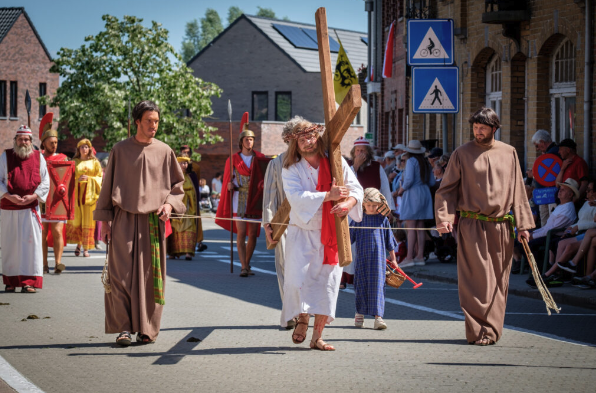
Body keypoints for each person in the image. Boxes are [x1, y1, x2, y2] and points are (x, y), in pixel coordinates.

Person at [435, 107, 534, 346]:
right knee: (475, 280)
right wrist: (444, 219)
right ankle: (478, 331)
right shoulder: (461, 153)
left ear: (494, 129)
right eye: (475, 128)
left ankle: (492, 331)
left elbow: (518, 191)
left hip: (501, 226)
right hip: (471, 225)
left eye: (483, 128)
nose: (478, 132)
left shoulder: (509, 153)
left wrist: (523, 225)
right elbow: (446, 189)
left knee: (499, 282)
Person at [95, 100, 185, 346]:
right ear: (137, 121)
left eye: (156, 121)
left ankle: (147, 329)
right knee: (120, 275)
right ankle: (123, 329)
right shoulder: (120, 150)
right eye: (148, 121)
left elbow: (177, 188)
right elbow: (107, 188)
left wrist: (168, 205)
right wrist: (105, 222)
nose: (153, 125)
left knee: (150, 277)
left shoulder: (165, 151)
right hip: (123, 218)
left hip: (153, 222)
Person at [280, 117, 363, 351]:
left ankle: (317, 337)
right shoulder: (291, 169)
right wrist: (329, 195)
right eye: (302, 138)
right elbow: (296, 198)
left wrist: (348, 203)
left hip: (331, 234)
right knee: (297, 282)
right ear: (295, 144)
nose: (308, 141)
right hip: (301, 233)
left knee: (327, 284)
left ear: (318, 137)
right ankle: (302, 319)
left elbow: (356, 188)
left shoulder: (336, 163)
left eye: (311, 136)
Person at [215, 114, 268, 277]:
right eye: (246, 139)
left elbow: (266, 177)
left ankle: (247, 263)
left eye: (251, 140)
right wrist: (229, 185)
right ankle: (243, 266)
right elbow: (227, 180)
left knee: (252, 234)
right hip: (239, 199)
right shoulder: (233, 159)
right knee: (241, 233)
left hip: (254, 199)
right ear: (241, 142)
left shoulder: (260, 158)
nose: (249, 142)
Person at [0, 125, 49, 293]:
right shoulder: (6, 156)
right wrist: (8, 195)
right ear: (15, 140)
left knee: (31, 246)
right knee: (10, 245)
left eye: (26, 139)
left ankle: (29, 281)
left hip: (30, 208)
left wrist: (34, 196)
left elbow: (45, 181)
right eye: (20, 139)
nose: (23, 142)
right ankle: (11, 281)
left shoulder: (38, 157)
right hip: (9, 208)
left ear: (31, 141)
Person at [341, 137, 395, 288]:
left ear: (368, 153)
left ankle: (368, 278)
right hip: (353, 211)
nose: (360, 154)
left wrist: (388, 210)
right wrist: (355, 167)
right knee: (350, 246)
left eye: (363, 151)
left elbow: (385, 189)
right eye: (357, 151)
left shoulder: (377, 167)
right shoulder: (348, 166)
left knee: (372, 246)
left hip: (373, 212)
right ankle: (346, 278)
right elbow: (345, 183)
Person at [350, 188, 398, 330]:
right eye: (369, 205)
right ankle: (359, 314)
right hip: (362, 260)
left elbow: (390, 241)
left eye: (375, 205)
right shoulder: (358, 219)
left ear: (380, 204)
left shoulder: (382, 220)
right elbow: (348, 238)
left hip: (378, 261)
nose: (372, 208)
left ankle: (378, 318)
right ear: (363, 204)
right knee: (361, 285)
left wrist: (393, 259)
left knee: (378, 287)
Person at [511, 178, 578, 273]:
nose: (559, 191)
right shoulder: (561, 206)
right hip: (548, 234)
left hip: (554, 236)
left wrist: (532, 236)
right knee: (518, 241)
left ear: (570, 194)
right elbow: (547, 227)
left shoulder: (568, 209)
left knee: (528, 244)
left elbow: (551, 229)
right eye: (560, 189)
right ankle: (529, 266)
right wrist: (533, 234)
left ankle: (541, 269)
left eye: (563, 190)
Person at [38, 113, 68, 274]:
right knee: (42, 233)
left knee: (57, 231)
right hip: (42, 201)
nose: (54, 145)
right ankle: (43, 264)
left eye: (56, 142)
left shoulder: (63, 158)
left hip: (57, 201)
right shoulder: (38, 158)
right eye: (51, 143)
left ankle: (58, 263)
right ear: (44, 143)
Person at [397, 140, 435, 267]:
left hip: (413, 193)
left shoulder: (411, 162)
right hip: (425, 193)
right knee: (420, 227)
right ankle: (420, 256)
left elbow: (408, 180)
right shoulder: (426, 162)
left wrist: (400, 190)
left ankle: (409, 257)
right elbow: (431, 182)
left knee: (411, 226)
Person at [66, 139, 102, 257]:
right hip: (77, 195)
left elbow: (100, 177)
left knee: (88, 221)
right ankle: (78, 244)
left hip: (90, 196)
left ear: (90, 149)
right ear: (78, 149)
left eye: (86, 147)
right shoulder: (74, 162)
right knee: (78, 220)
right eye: (82, 147)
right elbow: (68, 178)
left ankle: (85, 248)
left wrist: (90, 179)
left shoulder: (95, 162)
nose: (84, 149)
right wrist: (77, 180)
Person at [168, 156, 200, 261]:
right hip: (176, 206)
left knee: (189, 228)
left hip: (189, 207)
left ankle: (188, 252)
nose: (184, 165)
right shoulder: (173, 175)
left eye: (186, 163)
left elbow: (196, 191)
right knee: (175, 228)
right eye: (182, 163)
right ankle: (173, 252)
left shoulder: (192, 176)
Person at [527, 130, 559, 226]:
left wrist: (534, 175)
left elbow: (551, 175)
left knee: (549, 222)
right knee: (546, 221)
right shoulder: (551, 152)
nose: (537, 149)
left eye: (537, 146)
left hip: (550, 193)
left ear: (542, 142)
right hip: (545, 193)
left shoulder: (552, 153)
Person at [179, 146, 206, 253]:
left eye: (188, 152)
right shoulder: (174, 166)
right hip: (179, 199)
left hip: (191, 200)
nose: (186, 154)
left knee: (194, 220)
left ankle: (197, 241)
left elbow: (195, 184)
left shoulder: (195, 167)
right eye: (183, 152)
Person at [556, 138, 589, 204]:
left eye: (561, 149)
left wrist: (575, 198)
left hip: (573, 202)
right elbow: (557, 184)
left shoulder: (579, 162)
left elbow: (584, 183)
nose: (558, 152)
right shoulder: (565, 163)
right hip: (563, 201)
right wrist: (562, 169)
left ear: (568, 150)